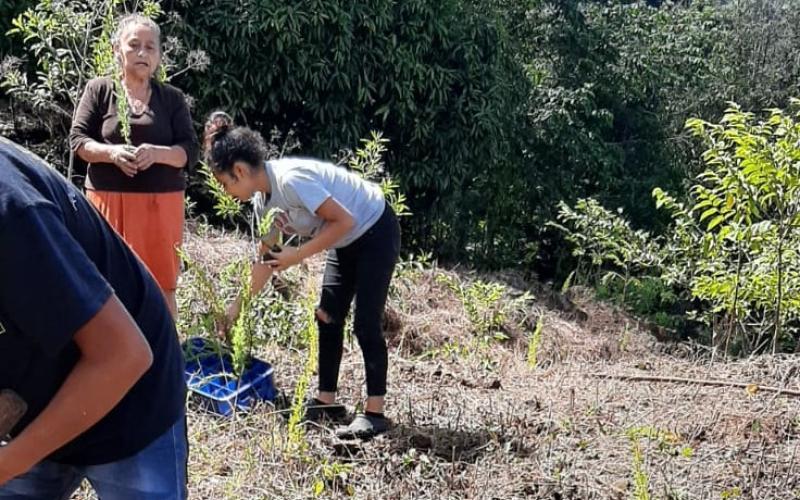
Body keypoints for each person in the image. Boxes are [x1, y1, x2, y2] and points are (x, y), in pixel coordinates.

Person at [0, 138, 188, 498]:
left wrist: (9, 464)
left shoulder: (12, 213)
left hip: (130, 409)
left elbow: (124, 356)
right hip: (32, 406)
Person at [204, 111, 401, 439]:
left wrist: (296, 255)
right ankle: (326, 401)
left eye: (225, 183)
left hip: (375, 230)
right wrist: (235, 309)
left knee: (365, 323)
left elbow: (345, 220)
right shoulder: (262, 204)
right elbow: (265, 260)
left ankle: (375, 414)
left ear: (239, 171)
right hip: (344, 240)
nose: (226, 192)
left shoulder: (291, 180)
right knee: (326, 316)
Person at [70, 14, 199, 318]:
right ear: (117, 49)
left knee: (162, 284)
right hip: (107, 202)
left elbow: (189, 150)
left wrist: (158, 154)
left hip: (161, 205)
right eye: (134, 45)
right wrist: (111, 153)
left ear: (159, 55)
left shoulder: (172, 99)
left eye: (150, 47)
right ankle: (112, 346)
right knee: (105, 284)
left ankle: (164, 347)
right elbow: (78, 141)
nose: (143, 53)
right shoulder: (100, 90)